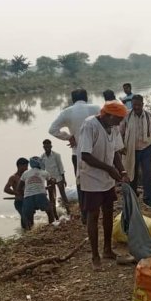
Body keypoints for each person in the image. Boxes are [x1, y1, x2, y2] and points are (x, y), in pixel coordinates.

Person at [78, 101, 133, 270]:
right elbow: (85, 155)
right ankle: (95, 256)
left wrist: (122, 171)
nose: (120, 123)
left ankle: (107, 250)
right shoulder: (90, 125)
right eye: (118, 119)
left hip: (107, 179)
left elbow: (115, 151)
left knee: (108, 212)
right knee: (93, 216)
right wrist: (109, 169)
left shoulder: (113, 127)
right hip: (92, 178)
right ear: (108, 115)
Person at [48, 88, 99, 223]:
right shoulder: (96, 108)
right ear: (86, 97)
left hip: (78, 153)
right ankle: (98, 208)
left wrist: (69, 137)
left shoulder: (67, 112)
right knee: (97, 179)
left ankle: (84, 213)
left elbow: (52, 129)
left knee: (80, 182)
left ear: (72, 99)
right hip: (96, 151)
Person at [120, 95, 151, 208]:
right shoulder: (126, 116)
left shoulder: (148, 116)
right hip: (131, 150)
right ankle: (132, 198)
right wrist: (121, 147)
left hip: (146, 148)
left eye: (138, 105)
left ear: (142, 104)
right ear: (132, 104)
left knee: (148, 173)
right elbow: (120, 132)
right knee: (132, 174)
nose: (136, 107)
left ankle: (148, 198)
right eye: (134, 105)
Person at [17, 156, 56, 229]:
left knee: (29, 218)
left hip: (28, 198)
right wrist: (53, 182)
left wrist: (24, 196)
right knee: (50, 211)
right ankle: (52, 227)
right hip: (40, 196)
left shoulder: (25, 173)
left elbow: (19, 188)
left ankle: (30, 231)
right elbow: (51, 182)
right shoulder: (44, 173)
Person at [41, 139, 68, 217]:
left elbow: (60, 167)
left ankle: (68, 210)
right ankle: (55, 215)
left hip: (58, 177)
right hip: (49, 179)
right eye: (45, 147)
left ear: (51, 146)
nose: (47, 148)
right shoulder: (42, 157)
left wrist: (64, 179)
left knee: (63, 194)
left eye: (48, 146)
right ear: (43, 147)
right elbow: (42, 170)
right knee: (52, 197)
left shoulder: (56, 155)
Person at [3, 157, 30, 229]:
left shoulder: (28, 176)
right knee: (24, 215)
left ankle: (27, 232)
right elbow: (6, 189)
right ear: (19, 166)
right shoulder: (13, 177)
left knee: (29, 217)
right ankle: (27, 232)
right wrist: (17, 193)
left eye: (27, 166)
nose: (27, 168)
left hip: (28, 200)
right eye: (25, 166)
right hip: (19, 202)